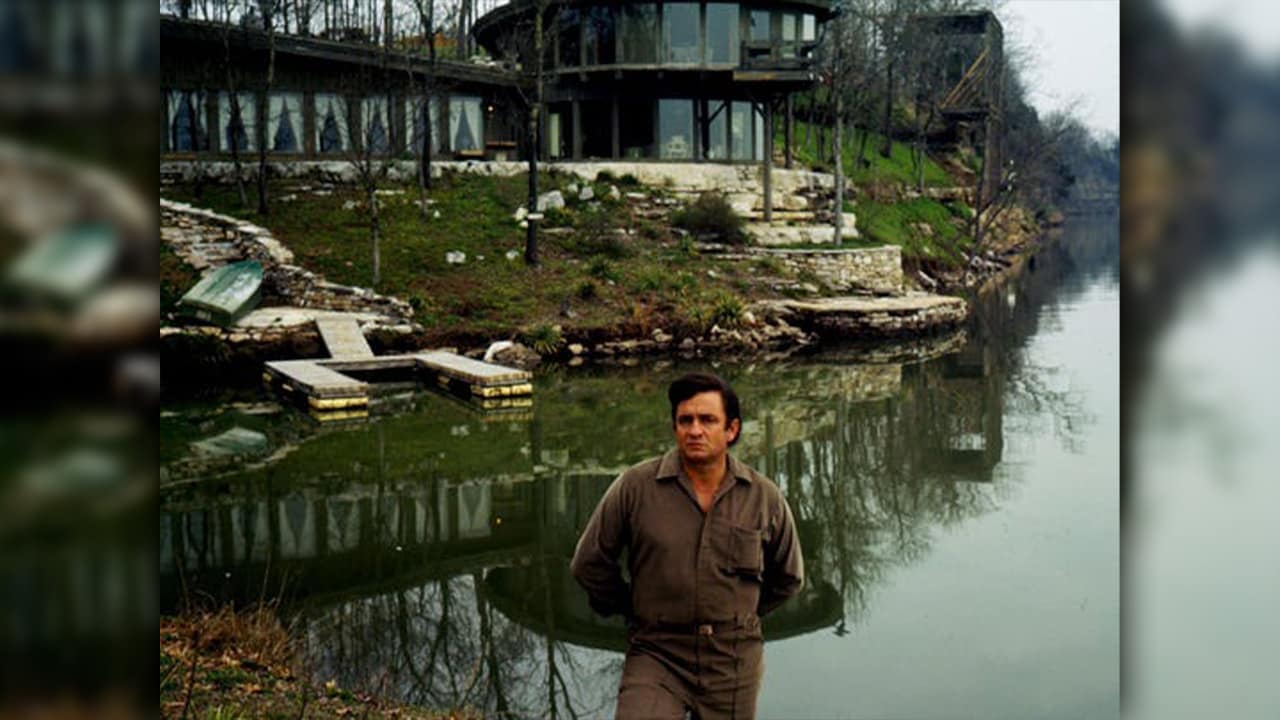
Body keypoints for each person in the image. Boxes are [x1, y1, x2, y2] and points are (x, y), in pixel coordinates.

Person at [570, 372, 804, 719]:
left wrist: (741, 616)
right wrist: (628, 606)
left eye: (708, 420)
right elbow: (589, 563)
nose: (695, 430)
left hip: (733, 660)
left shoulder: (763, 497)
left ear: (732, 430)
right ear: (675, 427)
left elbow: (788, 578)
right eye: (685, 420)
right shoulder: (635, 487)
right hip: (656, 650)